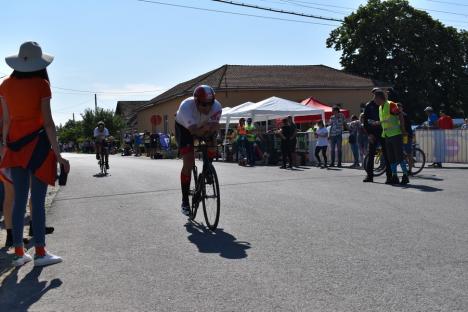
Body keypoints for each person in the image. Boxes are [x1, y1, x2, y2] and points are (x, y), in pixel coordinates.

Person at [0, 41, 70, 266]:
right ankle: (40, 251)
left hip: (15, 148)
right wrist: (59, 155)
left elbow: (7, 121)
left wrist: (4, 147)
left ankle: (19, 253)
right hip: (38, 147)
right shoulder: (41, 84)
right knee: (37, 202)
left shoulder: (5, 86)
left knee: (19, 200)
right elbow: (48, 123)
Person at [174, 85, 222, 216]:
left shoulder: (217, 106)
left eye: (210, 104)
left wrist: (210, 132)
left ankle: (208, 167)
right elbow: (194, 131)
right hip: (184, 128)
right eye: (204, 105)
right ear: (196, 102)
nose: (207, 108)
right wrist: (207, 128)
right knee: (188, 162)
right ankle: (184, 201)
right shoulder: (186, 107)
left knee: (212, 141)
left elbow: (214, 127)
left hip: (201, 126)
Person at [374, 90, 409, 185]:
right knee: (391, 158)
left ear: (379, 98)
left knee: (399, 157)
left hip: (395, 135)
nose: (374, 100)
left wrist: (403, 129)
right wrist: (378, 123)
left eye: (375, 98)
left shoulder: (391, 104)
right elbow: (386, 120)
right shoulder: (380, 108)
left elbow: (400, 115)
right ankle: (395, 176)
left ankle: (405, 176)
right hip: (387, 135)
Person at [362, 88, 392, 183]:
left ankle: (389, 177)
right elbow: (365, 121)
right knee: (371, 155)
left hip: (384, 132)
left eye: (376, 94)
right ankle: (369, 176)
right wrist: (369, 134)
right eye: (373, 94)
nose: (374, 96)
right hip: (373, 133)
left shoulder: (386, 104)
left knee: (387, 155)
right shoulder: (369, 105)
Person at [397, 103, 414, 173]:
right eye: (397, 108)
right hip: (401, 135)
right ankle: (405, 158)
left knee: (408, 152)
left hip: (406, 136)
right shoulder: (396, 115)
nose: (398, 109)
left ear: (402, 108)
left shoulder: (404, 115)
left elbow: (406, 126)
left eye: (399, 108)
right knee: (400, 151)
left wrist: (404, 132)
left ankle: (410, 170)